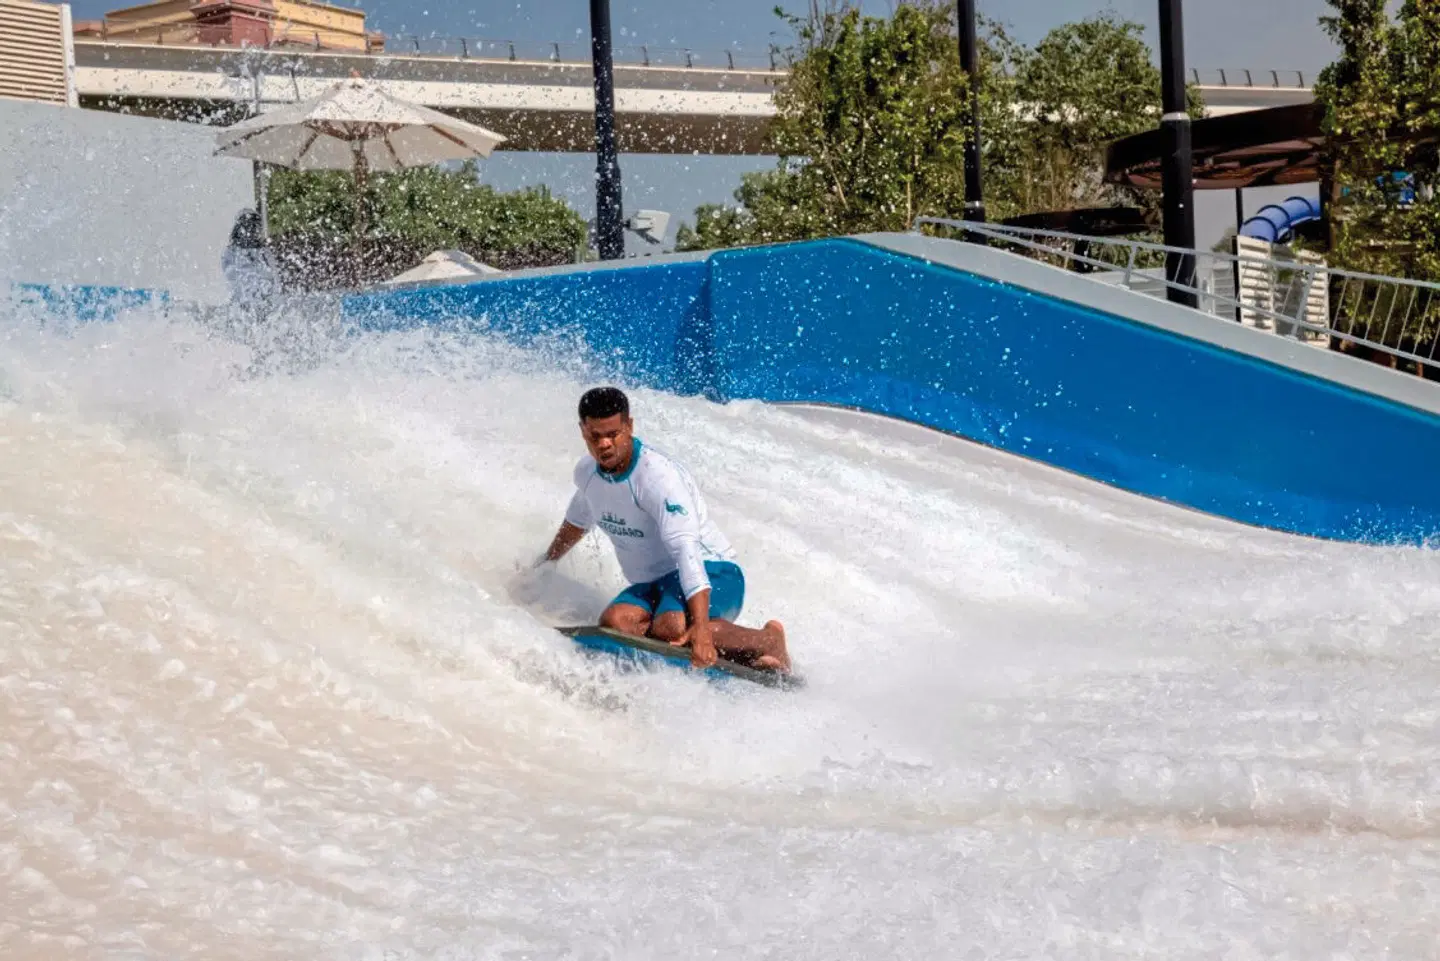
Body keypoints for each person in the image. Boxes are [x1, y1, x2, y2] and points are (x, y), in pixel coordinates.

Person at [538, 386, 791, 673]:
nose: (605, 444)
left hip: (714, 571)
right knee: (615, 622)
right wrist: (544, 566)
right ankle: (719, 649)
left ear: (629, 426)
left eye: (613, 434)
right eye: (596, 436)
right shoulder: (587, 474)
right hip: (655, 585)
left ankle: (768, 640)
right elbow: (576, 522)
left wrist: (703, 629)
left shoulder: (658, 478)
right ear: (583, 431)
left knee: (671, 627)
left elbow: (687, 552)